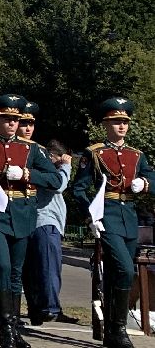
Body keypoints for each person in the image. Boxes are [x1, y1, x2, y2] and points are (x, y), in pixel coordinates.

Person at [0, 93, 62, 348]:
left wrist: (27, 173)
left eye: (15, 119)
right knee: (2, 266)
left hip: (23, 214)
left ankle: (12, 328)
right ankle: (5, 330)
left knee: (16, 272)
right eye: (7, 118)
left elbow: (55, 180)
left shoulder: (32, 149)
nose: (12, 123)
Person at [72, 96, 155, 348]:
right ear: (106, 124)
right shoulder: (95, 153)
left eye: (125, 122)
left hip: (128, 217)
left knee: (116, 274)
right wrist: (90, 217)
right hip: (106, 217)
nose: (121, 127)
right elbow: (79, 189)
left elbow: (154, 179)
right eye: (116, 122)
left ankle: (110, 331)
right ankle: (119, 330)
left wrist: (145, 183)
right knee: (125, 270)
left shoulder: (136, 155)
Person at [23, 139, 74, 325]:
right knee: (49, 267)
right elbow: (59, 185)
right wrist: (65, 166)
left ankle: (38, 309)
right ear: (52, 157)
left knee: (35, 269)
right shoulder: (47, 169)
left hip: (40, 222)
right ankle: (49, 307)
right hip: (46, 222)